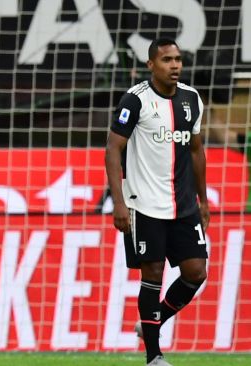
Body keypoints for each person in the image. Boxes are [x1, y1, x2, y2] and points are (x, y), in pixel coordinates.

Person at [105, 38, 209, 366]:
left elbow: (195, 150)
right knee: (152, 274)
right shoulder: (135, 100)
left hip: (183, 205)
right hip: (144, 203)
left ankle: (153, 322)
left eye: (178, 59)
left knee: (196, 272)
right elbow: (113, 148)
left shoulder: (192, 99)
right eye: (167, 60)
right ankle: (154, 355)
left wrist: (203, 200)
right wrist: (119, 203)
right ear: (151, 65)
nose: (175, 65)